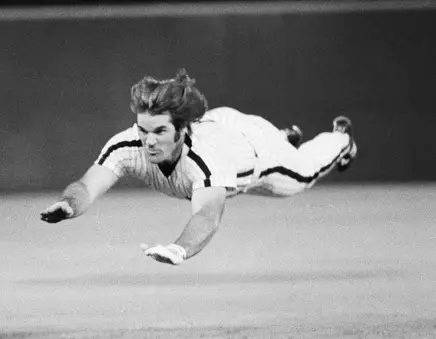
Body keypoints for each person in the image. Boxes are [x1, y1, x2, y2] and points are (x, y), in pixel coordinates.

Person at [40, 69, 357, 266]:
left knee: (303, 175)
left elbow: (207, 215)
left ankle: (339, 140)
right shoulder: (127, 146)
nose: (148, 141)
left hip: (258, 151)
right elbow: (87, 186)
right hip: (222, 126)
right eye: (143, 130)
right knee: (280, 153)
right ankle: (285, 136)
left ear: (181, 130)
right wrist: (68, 204)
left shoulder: (204, 160)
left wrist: (180, 249)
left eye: (160, 131)